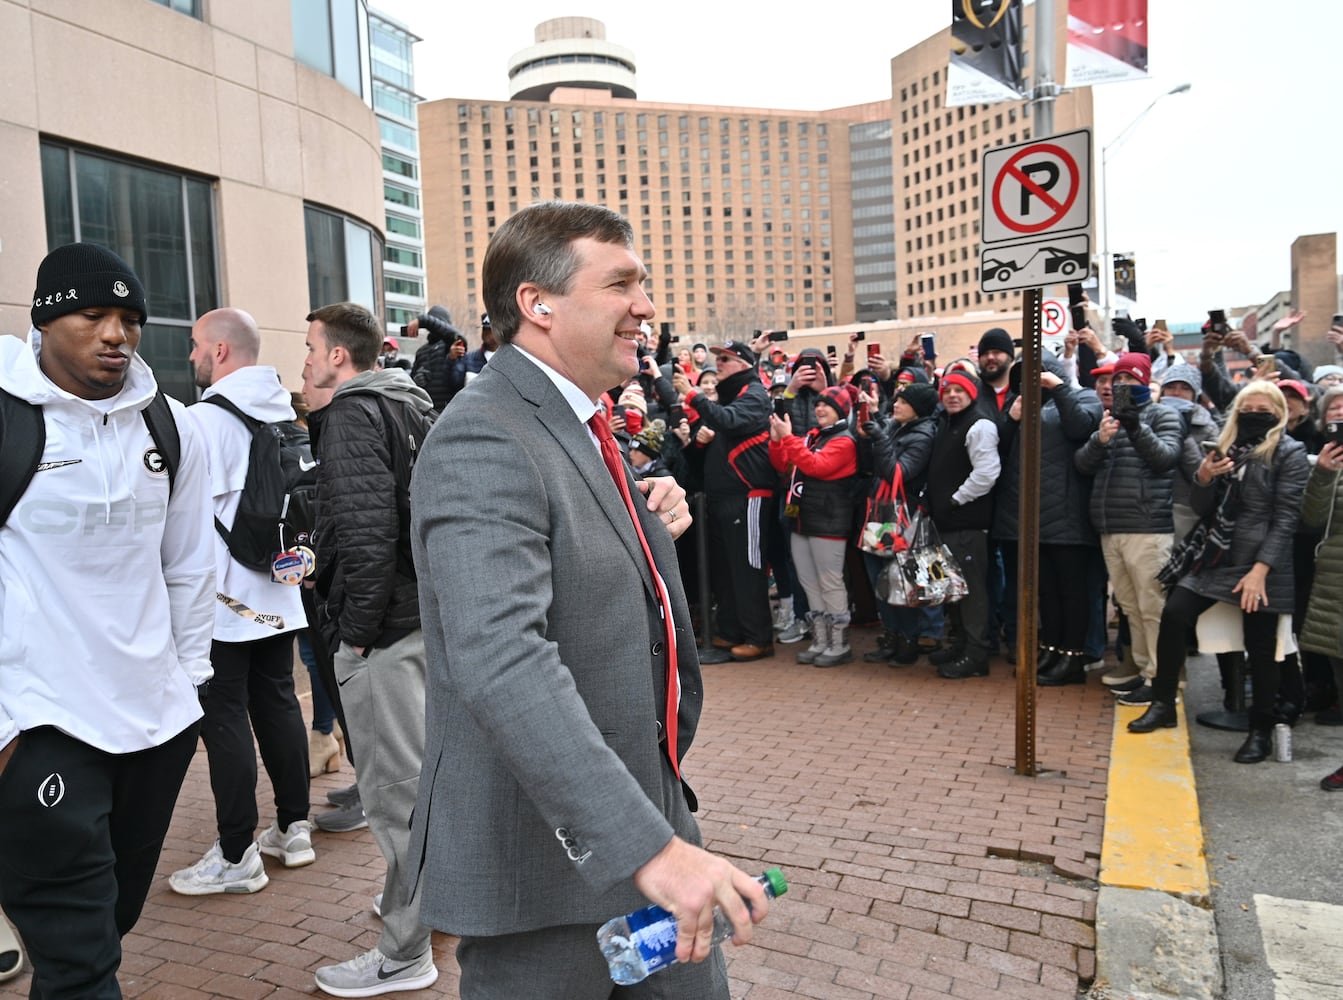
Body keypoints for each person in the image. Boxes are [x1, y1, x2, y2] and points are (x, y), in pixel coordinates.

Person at [407, 201, 770, 1000]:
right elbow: (501, 658)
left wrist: (644, 525)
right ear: (538, 305)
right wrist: (649, 849)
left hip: (642, 825)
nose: (645, 307)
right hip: (553, 869)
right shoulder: (484, 435)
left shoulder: (578, 424)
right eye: (621, 285)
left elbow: (575, 567)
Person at [0, 243, 214, 995]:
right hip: (43, 724)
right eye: (93, 315)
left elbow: (190, 566)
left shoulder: (172, 426)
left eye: (129, 318)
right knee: (82, 958)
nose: (116, 333)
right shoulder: (8, 416)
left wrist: (188, 684)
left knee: (111, 921)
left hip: (154, 720)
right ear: (46, 321)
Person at [304, 302, 438, 995]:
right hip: (418, 620)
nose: (303, 362)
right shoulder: (410, 404)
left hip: (385, 631)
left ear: (337, 357)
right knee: (423, 790)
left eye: (309, 348)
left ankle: (404, 951)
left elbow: (364, 533)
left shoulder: (357, 412)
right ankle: (422, 909)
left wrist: (354, 631)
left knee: (397, 798)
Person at [169, 308, 314, 896]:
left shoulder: (202, 421)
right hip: (278, 590)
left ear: (221, 352)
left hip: (222, 600)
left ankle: (236, 855)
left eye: (197, 345)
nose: (192, 356)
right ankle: (293, 827)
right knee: (278, 703)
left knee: (222, 716)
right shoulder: (285, 412)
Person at [1129, 382, 1309, 764]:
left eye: (1263, 408)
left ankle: (1259, 729)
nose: (1254, 413)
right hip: (1215, 556)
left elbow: (1286, 518)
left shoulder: (1288, 453)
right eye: (1247, 407)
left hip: (1261, 563)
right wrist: (1205, 477)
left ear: (1278, 414)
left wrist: (1261, 570)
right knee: (1175, 613)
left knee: (1261, 647)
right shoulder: (1223, 448)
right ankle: (1162, 704)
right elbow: (1201, 506)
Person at [1074, 352, 1183, 703]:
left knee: (1153, 606)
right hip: (1111, 526)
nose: (1120, 386)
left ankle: (1162, 680)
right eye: (1116, 380)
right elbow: (1083, 465)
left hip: (1147, 527)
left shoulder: (1164, 413)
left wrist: (1135, 425)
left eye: (1128, 381)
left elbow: (1165, 458)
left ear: (1145, 382)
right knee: (1130, 606)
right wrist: (1098, 440)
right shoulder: (1108, 419)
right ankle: (1142, 669)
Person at [994, 353, 1103, 685]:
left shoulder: (1081, 396)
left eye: (1035, 375)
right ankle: (1052, 649)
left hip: (1067, 516)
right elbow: (999, 451)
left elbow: (1081, 428)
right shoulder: (1020, 405)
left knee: (1072, 591)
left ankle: (1073, 657)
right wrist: (1010, 421)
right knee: (1046, 592)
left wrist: (1059, 389)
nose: (1029, 383)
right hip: (1029, 517)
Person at [675, 341, 777, 661]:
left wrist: (693, 395)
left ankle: (758, 637)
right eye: (717, 358)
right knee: (726, 570)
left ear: (744, 364)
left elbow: (730, 421)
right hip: (723, 496)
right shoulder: (734, 393)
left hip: (748, 496)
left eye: (725, 359)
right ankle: (731, 631)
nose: (717, 363)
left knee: (746, 569)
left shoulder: (755, 393)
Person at [769, 385, 860, 666]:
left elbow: (815, 466)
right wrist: (777, 441)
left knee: (830, 582)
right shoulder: (812, 436)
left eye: (827, 405)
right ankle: (821, 640)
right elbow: (784, 464)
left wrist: (788, 438)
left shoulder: (845, 441)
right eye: (818, 405)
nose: (820, 409)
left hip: (829, 522)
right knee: (810, 583)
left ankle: (839, 643)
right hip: (802, 519)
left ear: (841, 411)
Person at [925, 370, 1001, 678]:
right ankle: (958, 643)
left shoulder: (979, 424)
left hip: (967, 524)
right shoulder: (947, 422)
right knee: (950, 590)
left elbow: (987, 473)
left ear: (972, 394)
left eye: (960, 390)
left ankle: (976, 654)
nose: (952, 395)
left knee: (972, 593)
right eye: (947, 390)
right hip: (945, 523)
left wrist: (956, 499)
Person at [858, 381, 939, 665]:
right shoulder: (897, 426)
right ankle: (891, 634)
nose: (896, 405)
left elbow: (897, 474)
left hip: (903, 516)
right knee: (879, 577)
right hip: (881, 512)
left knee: (900, 578)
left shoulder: (924, 435)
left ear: (918, 408)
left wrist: (879, 437)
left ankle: (909, 639)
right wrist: (873, 421)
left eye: (903, 402)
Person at [408, 305, 467, 410]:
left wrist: (423, 321)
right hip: (426, 411)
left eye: (435, 323)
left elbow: (455, 335)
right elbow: (411, 381)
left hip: (447, 410)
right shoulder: (421, 351)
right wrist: (417, 380)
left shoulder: (452, 344)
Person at [463, 312, 498, 383]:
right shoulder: (469, 358)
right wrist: (452, 360)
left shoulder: (507, 357)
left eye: (489, 330)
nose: (486, 333)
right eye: (484, 329)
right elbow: (456, 382)